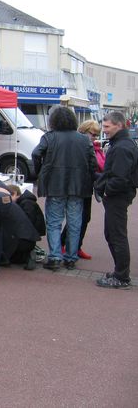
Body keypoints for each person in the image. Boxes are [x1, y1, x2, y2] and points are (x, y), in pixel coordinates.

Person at [32, 106, 97, 271]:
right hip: (78, 186)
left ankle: (55, 256)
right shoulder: (84, 139)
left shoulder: (49, 137)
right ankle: (70, 257)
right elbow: (92, 163)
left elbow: (36, 154)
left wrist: (41, 171)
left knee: (54, 222)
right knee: (75, 222)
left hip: (55, 185)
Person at [94, 112, 138, 289]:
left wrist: (106, 191)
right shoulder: (122, 144)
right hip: (118, 195)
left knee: (116, 235)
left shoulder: (121, 147)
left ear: (119, 125)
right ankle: (120, 272)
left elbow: (119, 177)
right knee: (112, 234)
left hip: (117, 197)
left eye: (107, 127)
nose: (104, 130)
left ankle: (121, 276)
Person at [60, 120, 105, 260]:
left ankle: (76, 246)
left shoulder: (93, 146)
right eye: (93, 134)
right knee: (75, 218)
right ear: (84, 131)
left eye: (97, 135)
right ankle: (64, 245)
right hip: (76, 186)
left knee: (85, 218)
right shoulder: (79, 145)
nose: (95, 137)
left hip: (86, 187)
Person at [5, 185, 46, 269]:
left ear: (15, 194)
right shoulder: (25, 202)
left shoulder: (26, 203)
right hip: (29, 236)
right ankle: (26, 255)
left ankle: (27, 255)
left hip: (27, 237)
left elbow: (26, 223)